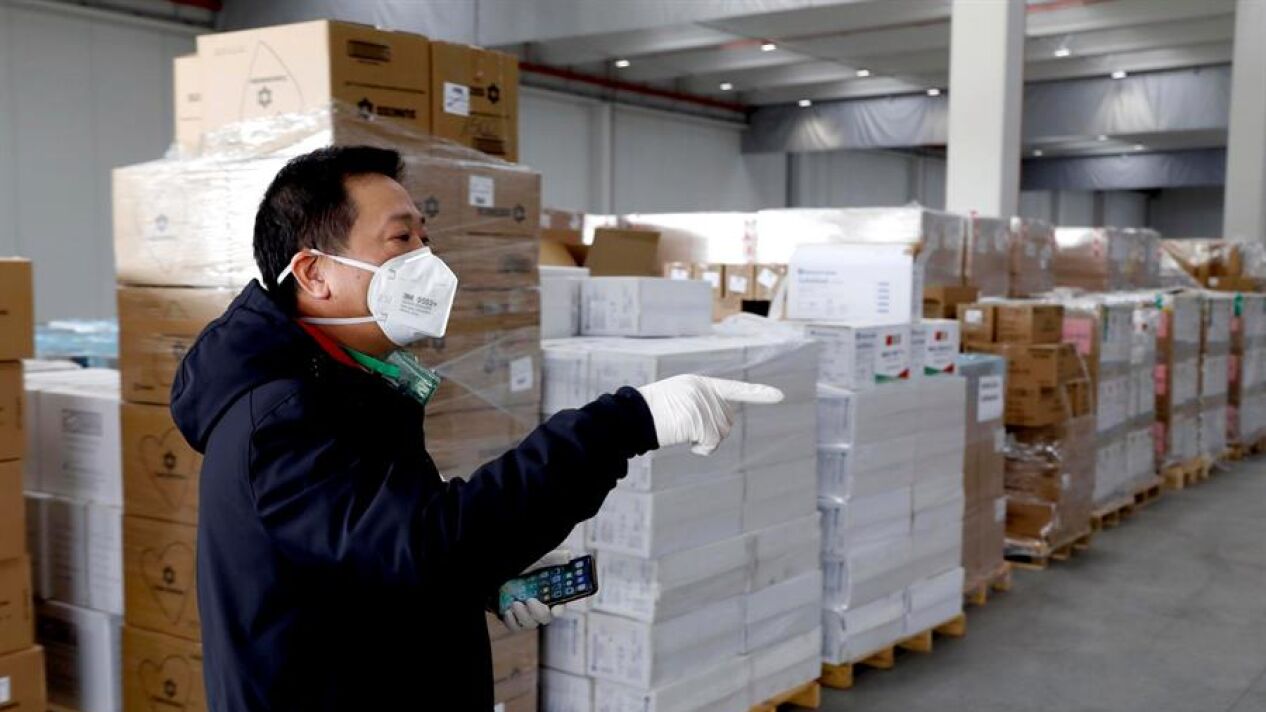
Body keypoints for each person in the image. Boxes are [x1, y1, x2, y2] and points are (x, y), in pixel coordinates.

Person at [169, 145, 783, 711]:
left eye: (425, 238)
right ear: (314, 273)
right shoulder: (283, 419)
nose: (426, 259)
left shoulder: (346, 387)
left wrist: (480, 580)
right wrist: (624, 423)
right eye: (401, 239)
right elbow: (427, 544)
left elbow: (373, 557)